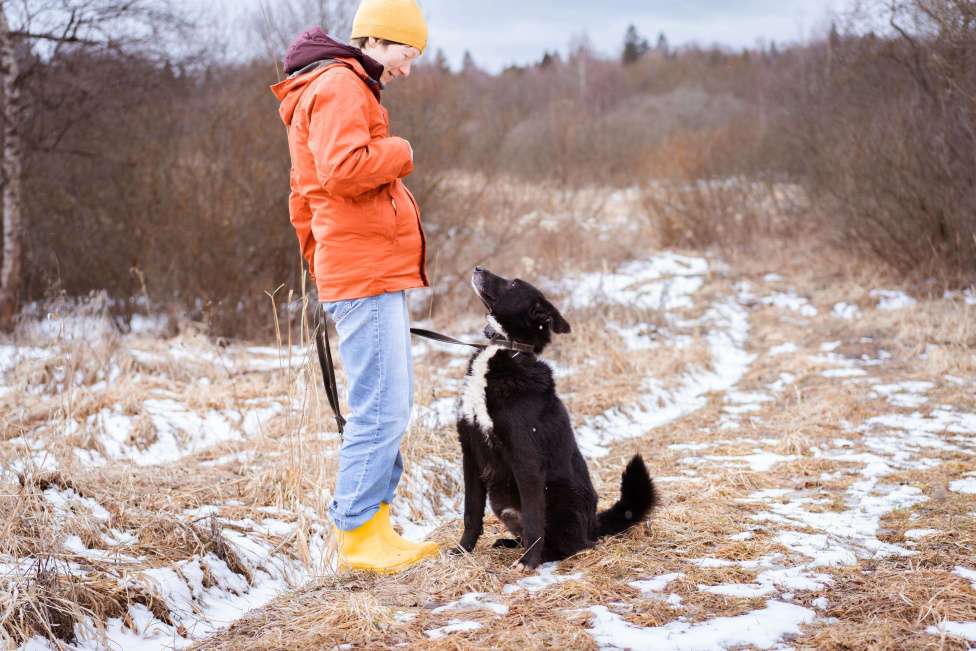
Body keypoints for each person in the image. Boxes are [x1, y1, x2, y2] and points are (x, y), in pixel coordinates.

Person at [270, 0, 437, 574]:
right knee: (381, 409)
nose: (408, 69)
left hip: (362, 269)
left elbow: (303, 196)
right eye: (406, 55)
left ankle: (375, 527)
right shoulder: (340, 85)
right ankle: (359, 539)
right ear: (378, 41)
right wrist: (403, 152)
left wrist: (322, 264)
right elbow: (343, 171)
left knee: (391, 404)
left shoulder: (336, 84)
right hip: (363, 271)